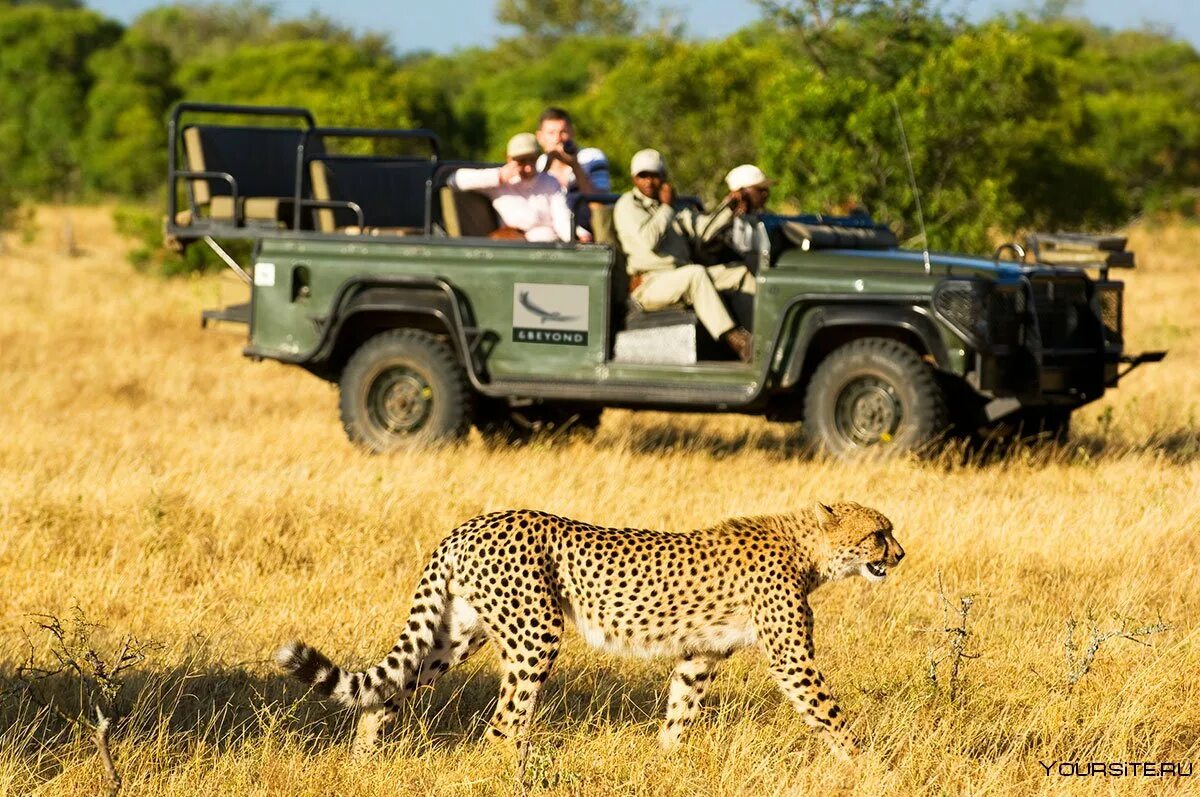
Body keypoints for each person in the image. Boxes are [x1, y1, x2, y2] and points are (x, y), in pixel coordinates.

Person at [613, 149, 755, 362]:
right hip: (650, 284)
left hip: (682, 276)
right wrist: (667, 207)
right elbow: (648, 240)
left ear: (664, 178)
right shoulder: (627, 205)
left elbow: (705, 229)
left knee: (739, 273)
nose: (649, 181)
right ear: (634, 178)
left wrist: (729, 209)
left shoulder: (677, 207)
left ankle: (764, 334)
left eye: (655, 175)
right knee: (695, 273)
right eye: (643, 176)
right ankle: (736, 340)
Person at [448, 132, 583, 242]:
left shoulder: (549, 182)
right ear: (509, 160)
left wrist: (574, 239)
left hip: (548, 246)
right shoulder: (499, 183)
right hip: (515, 248)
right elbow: (454, 180)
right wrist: (499, 176)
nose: (529, 168)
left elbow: (562, 218)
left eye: (532, 160)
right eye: (522, 161)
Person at [535, 107, 609, 229]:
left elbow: (599, 204)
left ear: (572, 132)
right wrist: (549, 164)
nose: (558, 139)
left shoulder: (592, 157)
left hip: (588, 227)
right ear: (540, 137)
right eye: (551, 133)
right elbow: (534, 201)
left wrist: (575, 166)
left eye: (563, 132)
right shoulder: (538, 164)